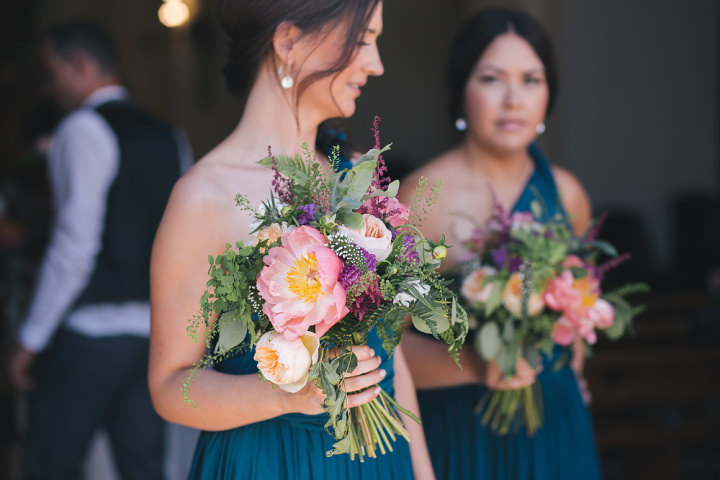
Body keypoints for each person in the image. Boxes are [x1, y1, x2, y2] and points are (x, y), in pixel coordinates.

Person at [148, 1, 434, 479]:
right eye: (362, 40)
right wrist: (289, 393)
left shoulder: (357, 180)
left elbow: (392, 359)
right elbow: (170, 387)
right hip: (268, 462)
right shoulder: (204, 198)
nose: (377, 63)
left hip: (380, 463)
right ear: (287, 43)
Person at [398, 8, 601, 480]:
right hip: (461, 427)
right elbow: (384, 347)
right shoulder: (421, 198)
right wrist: (474, 364)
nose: (514, 99)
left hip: (555, 421)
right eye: (492, 79)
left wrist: (569, 357)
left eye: (531, 79)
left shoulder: (567, 195)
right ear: (461, 90)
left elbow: (580, 313)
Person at [7, 21, 190, 479]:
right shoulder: (171, 135)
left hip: (89, 336)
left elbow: (74, 247)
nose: (49, 88)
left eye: (52, 74)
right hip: (151, 337)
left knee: (49, 466)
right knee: (144, 470)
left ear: (81, 65)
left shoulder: (81, 128)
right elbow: (183, 240)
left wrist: (30, 340)